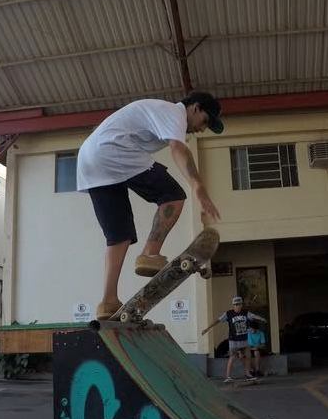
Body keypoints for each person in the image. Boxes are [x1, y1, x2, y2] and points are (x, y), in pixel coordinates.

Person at [77, 92, 225, 320]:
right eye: (205, 121)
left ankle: (107, 301)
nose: (202, 129)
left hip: (90, 160)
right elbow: (178, 148)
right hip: (114, 150)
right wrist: (198, 186)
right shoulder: (174, 113)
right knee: (173, 195)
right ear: (195, 108)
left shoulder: (157, 112)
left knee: (119, 236)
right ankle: (150, 254)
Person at [201, 296, 266, 383]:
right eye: (236, 305)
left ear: (241, 305)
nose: (238, 306)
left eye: (239, 304)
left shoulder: (245, 313)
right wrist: (207, 328)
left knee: (248, 355)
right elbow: (218, 320)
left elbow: (253, 316)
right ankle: (228, 376)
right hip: (233, 340)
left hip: (244, 339)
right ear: (233, 305)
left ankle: (248, 374)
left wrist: (261, 318)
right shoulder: (229, 314)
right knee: (233, 357)